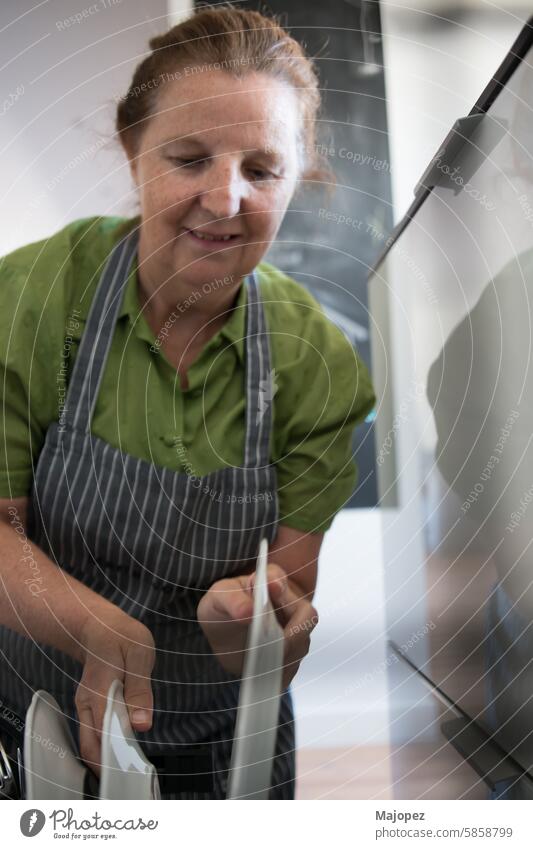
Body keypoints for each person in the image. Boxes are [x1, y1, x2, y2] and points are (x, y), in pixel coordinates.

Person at [0, 5, 376, 799]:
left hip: (226, 743)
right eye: (189, 157)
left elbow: (284, 621)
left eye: (261, 170)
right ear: (132, 147)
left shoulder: (318, 361)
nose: (224, 198)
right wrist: (100, 628)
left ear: (296, 176)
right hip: (32, 720)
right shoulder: (32, 295)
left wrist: (254, 626)